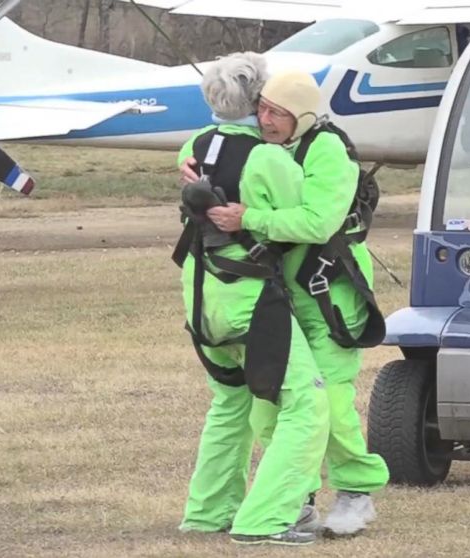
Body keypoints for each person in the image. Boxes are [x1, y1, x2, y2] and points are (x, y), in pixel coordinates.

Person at [182, 70, 390, 538]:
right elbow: (211, 144)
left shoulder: (327, 150)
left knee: (331, 404)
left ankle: (357, 491)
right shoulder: (268, 148)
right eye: (263, 108)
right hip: (279, 297)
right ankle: (295, 499)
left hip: (329, 295)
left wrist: (247, 217)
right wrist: (192, 167)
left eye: (278, 112)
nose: (266, 119)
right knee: (270, 405)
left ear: (303, 116)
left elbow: (318, 223)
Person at [173, 53, 329, 547]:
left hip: (200, 296)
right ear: (260, 99)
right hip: (248, 299)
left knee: (231, 400)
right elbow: (302, 215)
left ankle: (208, 511)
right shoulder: (267, 158)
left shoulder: (193, 147)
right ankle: (266, 518)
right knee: (307, 402)